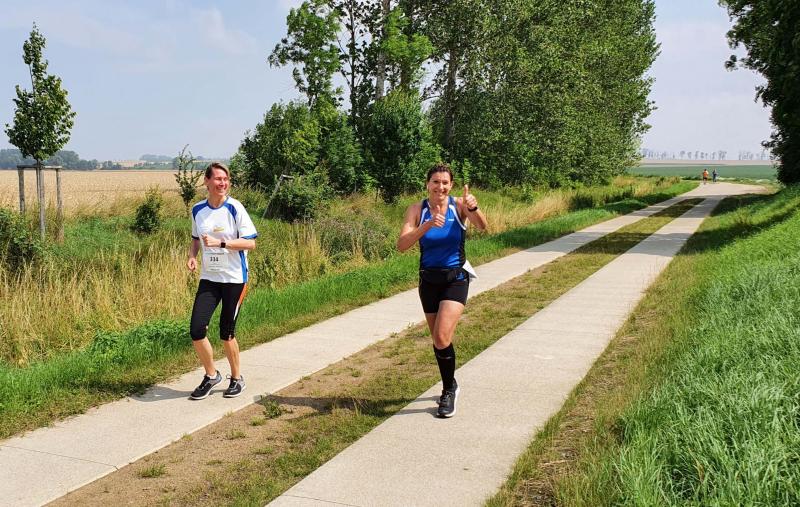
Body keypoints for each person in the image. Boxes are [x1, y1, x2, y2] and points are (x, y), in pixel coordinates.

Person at [396, 163, 487, 417]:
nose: (440, 187)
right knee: (438, 340)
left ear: (451, 185)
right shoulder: (417, 209)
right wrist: (426, 226)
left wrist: (473, 208)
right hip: (428, 281)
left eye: (445, 182)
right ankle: (451, 382)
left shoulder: (459, 205)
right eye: (435, 182)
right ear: (428, 184)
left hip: (455, 278)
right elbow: (401, 245)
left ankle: (448, 391)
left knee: (441, 336)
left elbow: (482, 226)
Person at [187, 162, 258, 400]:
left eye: (226, 179)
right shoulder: (197, 210)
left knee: (226, 332)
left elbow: (250, 243)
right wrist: (192, 256)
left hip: (234, 278)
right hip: (210, 278)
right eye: (218, 179)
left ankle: (237, 378)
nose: (223, 183)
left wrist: (222, 243)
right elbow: (195, 239)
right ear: (207, 181)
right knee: (197, 329)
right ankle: (211, 375)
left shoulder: (235, 208)